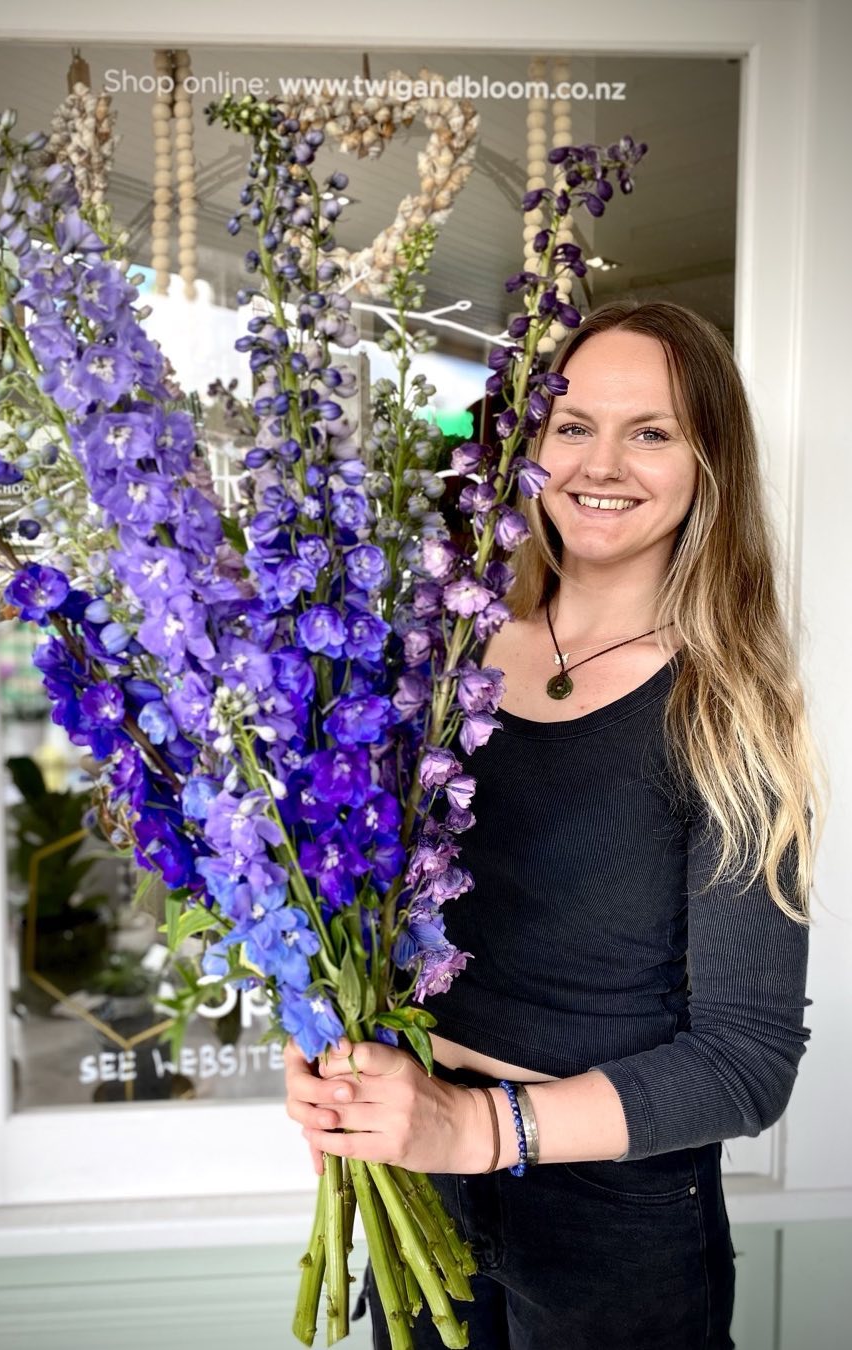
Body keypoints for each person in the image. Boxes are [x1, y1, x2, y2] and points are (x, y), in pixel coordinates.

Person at [282, 300, 827, 1349]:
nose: (600, 462)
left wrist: (478, 1127)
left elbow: (748, 1063)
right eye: (572, 425)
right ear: (530, 445)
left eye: (652, 431)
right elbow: (356, 902)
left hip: (614, 1218)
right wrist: (338, 1059)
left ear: (710, 464)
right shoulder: (441, 653)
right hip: (417, 1176)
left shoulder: (733, 710)